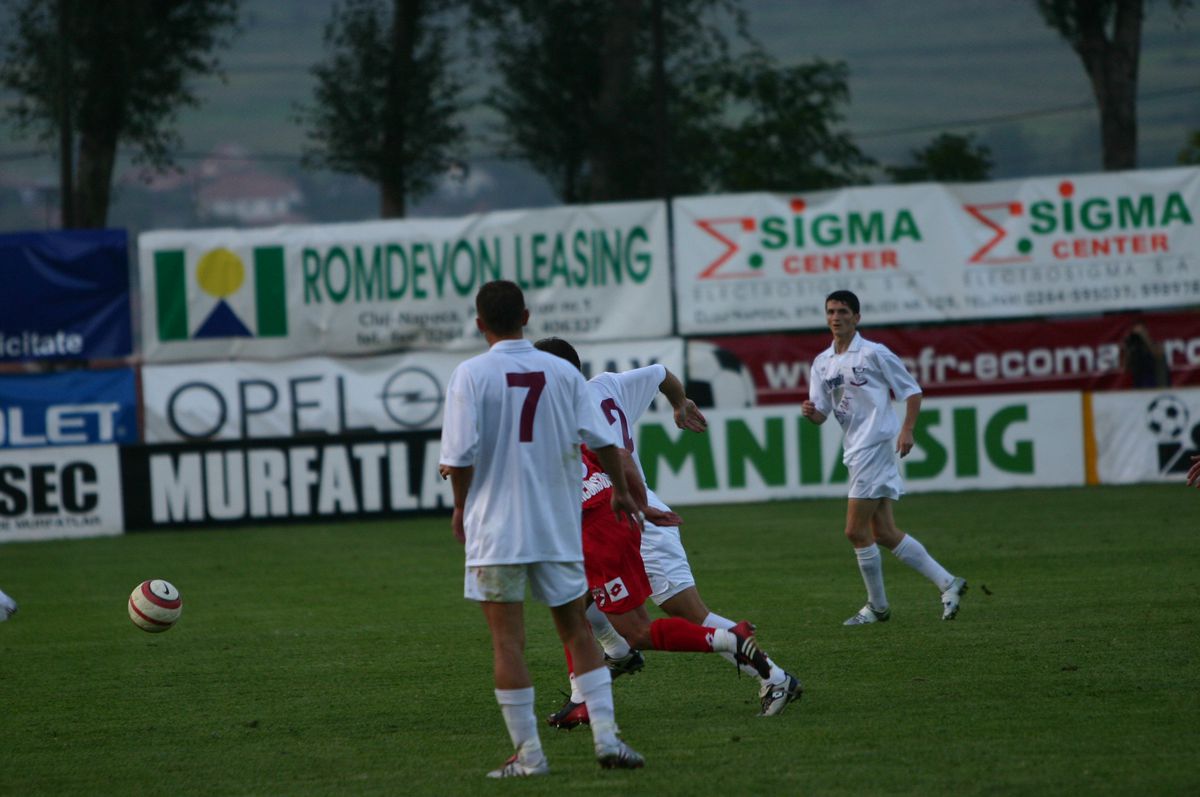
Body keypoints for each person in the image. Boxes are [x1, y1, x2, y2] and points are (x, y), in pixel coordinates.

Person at [437, 280, 645, 778]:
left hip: (497, 530)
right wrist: (618, 489)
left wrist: (460, 507)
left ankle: (529, 756)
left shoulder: (469, 374)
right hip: (556, 525)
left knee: (508, 643)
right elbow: (603, 440)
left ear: (479, 323)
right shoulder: (561, 371)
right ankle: (609, 739)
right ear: (526, 315)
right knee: (576, 631)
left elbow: (459, 457)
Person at [535, 337, 803, 721]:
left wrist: (640, 506)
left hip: (632, 517)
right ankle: (602, 674)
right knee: (569, 597)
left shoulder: (570, 412)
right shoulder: (606, 385)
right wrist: (680, 403)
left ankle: (774, 675)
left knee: (690, 616)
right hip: (616, 514)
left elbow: (620, 459)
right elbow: (661, 374)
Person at [801, 290, 967, 625]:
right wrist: (811, 413)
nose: (836, 317)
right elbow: (821, 414)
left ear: (857, 318)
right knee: (884, 532)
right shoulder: (822, 363)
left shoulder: (874, 353)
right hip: (855, 448)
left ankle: (877, 606)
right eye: (831, 311)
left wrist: (907, 429)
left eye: (844, 311)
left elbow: (912, 390)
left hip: (875, 445)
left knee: (854, 530)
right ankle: (948, 582)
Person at [1120, 323, 1170, 388]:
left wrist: (1145, 337)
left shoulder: (1155, 342)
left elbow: (1158, 354)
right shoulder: (1134, 347)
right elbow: (1124, 369)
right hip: (1139, 384)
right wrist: (1126, 350)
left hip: (1156, 383)